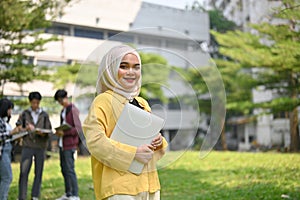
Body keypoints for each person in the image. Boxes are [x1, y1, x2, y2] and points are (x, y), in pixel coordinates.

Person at [82, 45, 168, 200]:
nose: (131, 72)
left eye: (136, 67)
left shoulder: (142, 103)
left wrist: (157, 141)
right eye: (123, 66)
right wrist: (134, 153)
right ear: (110, 69)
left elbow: (148, 146)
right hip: (120, 186)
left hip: (150, 186)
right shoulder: (103, 101)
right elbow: (95, 142)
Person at [18, 92, 52, 200]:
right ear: (30, 102)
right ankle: (22, 196)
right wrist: (26, 129)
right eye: (33, 103)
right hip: (27, 146)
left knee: (38, 172)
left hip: (40, 147)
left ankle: (35, 196)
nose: (35, 105)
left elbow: (49, 130)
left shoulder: (44, 115)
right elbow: (18, 128)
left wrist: (42, 132)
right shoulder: (24, 114)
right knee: (24, 172)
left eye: (37, 103)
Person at [54, 89, 81, 200]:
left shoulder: (73, 110)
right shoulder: (63, 111)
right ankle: (68, 193)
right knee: (64, 169)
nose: (60, 102)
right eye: (58, 101)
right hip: (62, 145)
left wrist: (64, 132)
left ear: (66, 97)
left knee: (70, 169)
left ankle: (75, 194)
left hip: (70, 145)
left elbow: (78, 128)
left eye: (61, 100)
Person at [0, 98, 20, 200]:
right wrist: (11, 133)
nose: (11, 111)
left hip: (7, 150)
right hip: (2, 151)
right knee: (7, 177)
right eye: (10, 109)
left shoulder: (5, 121)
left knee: (5, 177)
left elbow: (7, 137)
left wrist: (18, 135)